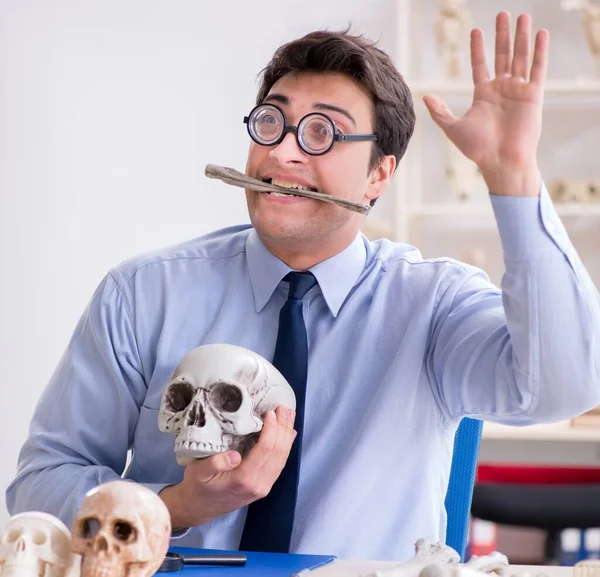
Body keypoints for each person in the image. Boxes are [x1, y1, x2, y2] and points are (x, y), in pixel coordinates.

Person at [6, 12, 600, 562]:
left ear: (378, 176)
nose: (283, 151)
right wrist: (174, 506)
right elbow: (40, 485)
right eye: (272, 121)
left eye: (323, 133)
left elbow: (566, 387)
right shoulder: (142, 294)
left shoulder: (434, 304)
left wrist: (513, 175)